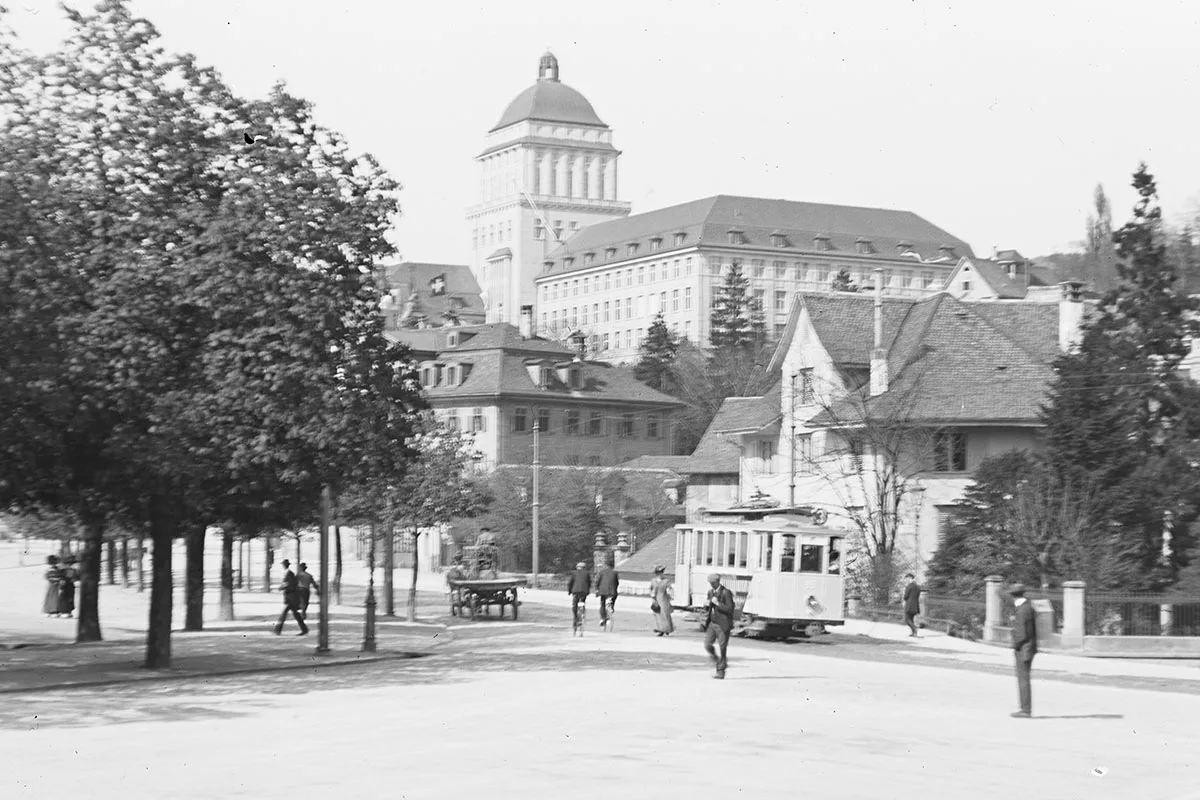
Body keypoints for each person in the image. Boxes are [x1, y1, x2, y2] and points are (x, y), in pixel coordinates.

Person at [1010, 583, 1038, 718]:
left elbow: (1021, 634)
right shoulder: (1028, 607)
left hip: (1024, 649)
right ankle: (1025, 708)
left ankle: (1025, 709)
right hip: (1029, 647)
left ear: (1013, 596)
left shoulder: (1022, 610)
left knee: (1023, 679)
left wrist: (1015, 645)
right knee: (1024, 678)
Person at [702, 572, 735, 679]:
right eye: (710, 582)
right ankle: (718, 660)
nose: (711, 584)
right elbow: (709, 608)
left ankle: (721, 671)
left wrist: (718, 604)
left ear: (717, 581)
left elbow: (730, 609)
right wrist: (706, 605)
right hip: (712, 623)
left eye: (713, 582)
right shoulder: (710, 592)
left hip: (723, 624)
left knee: (722, 648)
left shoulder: (726, 593)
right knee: (707, 645)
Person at [274, 559, 309, 636]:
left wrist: (284, 588)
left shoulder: (290, 574)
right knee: (296, 615)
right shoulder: (288, 573)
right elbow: (287, 584)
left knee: (284, 614)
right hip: (290, 598)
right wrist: (283, 587)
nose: (283, 566)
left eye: (283, 565)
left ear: (285, 565)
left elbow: (291, 586)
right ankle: (304, 629)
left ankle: (278, 629)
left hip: (291, 598)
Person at [649, 566, 674, 636]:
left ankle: (666, 628)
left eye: (661, 573)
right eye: (659, 573)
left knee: (664, 613)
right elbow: (651, 588)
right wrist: (652, 595)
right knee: (657, 613)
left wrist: (671, 595)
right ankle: (660, 628)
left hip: (663, 598)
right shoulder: (653, 581)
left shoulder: (666, 581)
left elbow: (670, 589)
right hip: (655, 599)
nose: (661, 574)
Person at [595, 558, 619, 631]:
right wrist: (615, 588)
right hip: (612, 592)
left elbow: (598, 582)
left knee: (602, 604)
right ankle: (611, 608)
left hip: (603, 591)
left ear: (606, 565)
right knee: (613, 599)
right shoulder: (615, 573)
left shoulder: (602, 572)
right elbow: (617, 583)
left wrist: (597, 589)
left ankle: (602, 619)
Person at [567, 561, 592, 628]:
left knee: (574, 604)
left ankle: (575, 618)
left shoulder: (574, 573)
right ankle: (582, 613)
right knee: (582, 601)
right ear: (584, 568)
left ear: (577, 567)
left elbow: (570, 583)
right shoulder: (587, 573)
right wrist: (588, 590)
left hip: (576, 591)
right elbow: (589, 583)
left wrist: (569, 591)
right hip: (584, 591)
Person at [903, 572, 921, 638]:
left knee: (907, 619)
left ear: (910, 578)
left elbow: (906, 596)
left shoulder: (909, 586)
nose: (906, 580)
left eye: (907, 578)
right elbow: (918, 596)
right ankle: (914, 633)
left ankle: (914, 629)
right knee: (911, 618)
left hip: (909, 605)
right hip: (916, 605)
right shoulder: (917, 587)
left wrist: (905, 599)